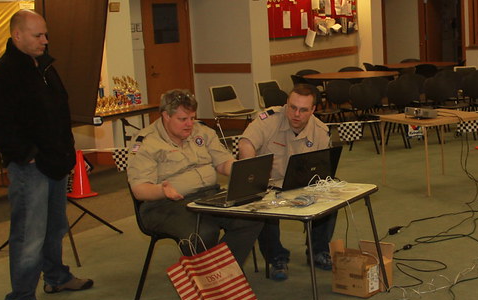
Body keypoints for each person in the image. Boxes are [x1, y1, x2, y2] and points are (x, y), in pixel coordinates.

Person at [0, 10, 93, 300]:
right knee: (29, 234)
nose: (45, 40)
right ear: (17, 36)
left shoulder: (44, 67)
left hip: (55, 162)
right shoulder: (2, 76)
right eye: (37, 35)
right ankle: (22, 299)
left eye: (45, 34)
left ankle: (56, 278)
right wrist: (26, 153)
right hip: (31, 167)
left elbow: (58, 112)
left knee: (55, 227)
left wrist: (66, 152)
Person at [126, 89, 262, 268]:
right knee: (203, 232)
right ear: (166, 116)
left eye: (192, 117)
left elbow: (223, 163)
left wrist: (244, 172)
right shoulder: (146, 142)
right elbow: (139, 189)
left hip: (208, 196)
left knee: (253, 218)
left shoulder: (202, 131)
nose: (190, 124)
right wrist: (161, 190)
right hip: (164, 205)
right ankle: (219, 278)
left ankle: (224, 272)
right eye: (183, 119)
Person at [238, 84, 335, 281]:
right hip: (270, 185)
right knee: (263, 208)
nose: (296, 114)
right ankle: (276, 258)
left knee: (331, 201)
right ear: (286, 104)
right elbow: (246, 143)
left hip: (303, 185)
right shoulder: (269, 119)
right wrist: (254, 171)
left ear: (313, 110)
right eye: (292, 107)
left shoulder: (320, 131)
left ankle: (318, 251)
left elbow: (323, 169)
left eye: (303, 110)